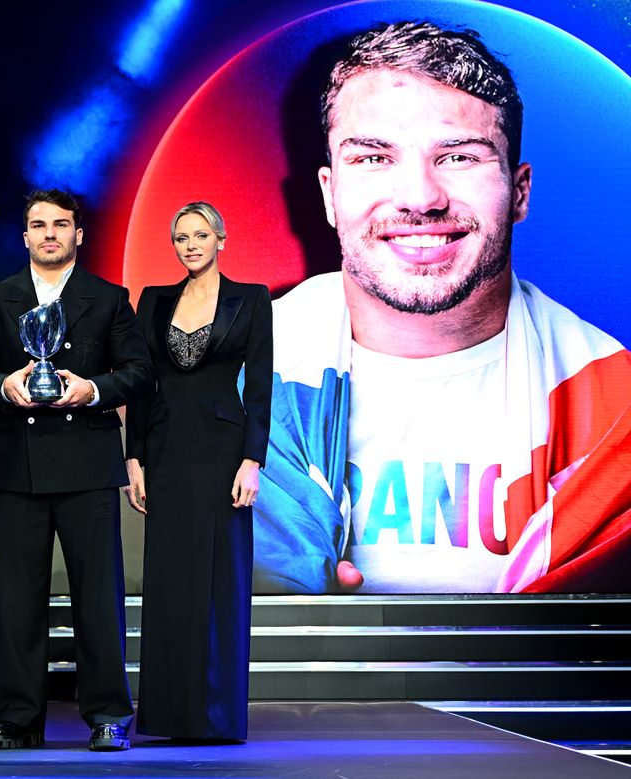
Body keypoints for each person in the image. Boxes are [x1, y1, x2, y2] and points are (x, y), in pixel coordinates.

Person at [254, 21, 631, 595]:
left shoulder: (615, 406)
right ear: (330, 195)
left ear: (520, 191)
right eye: (374, 159)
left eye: (459, 157)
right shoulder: (229, 386)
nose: (421, 198)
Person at [0, 189, 153, 751]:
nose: (49, 233)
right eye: (38, 225)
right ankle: (15, 717)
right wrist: (3, 386)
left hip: (88, 464)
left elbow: (140, 373)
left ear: (78, 235)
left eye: (60, 224)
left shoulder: (109, 299)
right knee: (16, 599)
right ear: (24, 237)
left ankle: (109, 715)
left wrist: (94, 389)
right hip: (18, 462)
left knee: (98, 597)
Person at [124, 202, 271, 740]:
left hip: (224, 449)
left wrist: (253, 459)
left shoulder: (250, 299)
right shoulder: (155, 300)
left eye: (200, 235)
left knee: (221, 577)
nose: (190, 244)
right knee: (169, 580)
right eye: (181, 236)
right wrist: (133, 456)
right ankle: (166, 712)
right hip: (165, 448)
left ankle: (216, 713)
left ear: (221, 239)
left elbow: (259, 386)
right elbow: (140, 381)